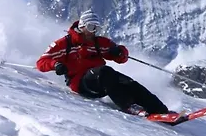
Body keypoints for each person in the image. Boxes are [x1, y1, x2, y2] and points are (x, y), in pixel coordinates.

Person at [36, 10, 169, 115]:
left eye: (96, 28)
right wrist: (56, 65)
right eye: (91, 27)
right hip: (81, 83)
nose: (93, 31)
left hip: (101, 82)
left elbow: (121, 56)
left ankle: (159, 109)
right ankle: (128, 106)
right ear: (82, 26)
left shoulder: (98, 43)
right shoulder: (65, 43)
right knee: (105, 72)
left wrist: (119, 52)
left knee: (128, 82)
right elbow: (42, 62)